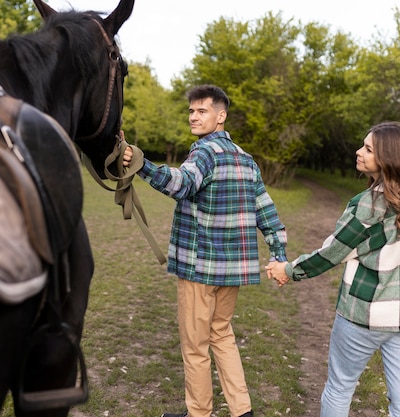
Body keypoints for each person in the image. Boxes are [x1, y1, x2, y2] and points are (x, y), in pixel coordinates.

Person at [122, 85, 288, 417]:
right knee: (222, 335)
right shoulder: (246, 158)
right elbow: (266, 210)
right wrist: (278, 253)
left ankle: (199, 413)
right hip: (231, 273)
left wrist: (141, 165)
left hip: (200, 270)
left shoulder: (205, 153)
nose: (195, 117)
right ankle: (242, 411)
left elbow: (182, 183)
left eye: (203, 111)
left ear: (220, 116)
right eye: (192, 111)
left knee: (196, 347)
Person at [266, 121, 400, 417]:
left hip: (366, 313)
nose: (358, 152)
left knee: (340, 386)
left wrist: (288, 269)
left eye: (368, 149)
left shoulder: (371, 203)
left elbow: (333, 253)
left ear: (390, 158)